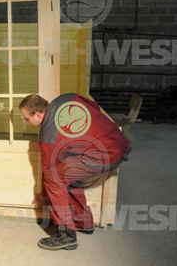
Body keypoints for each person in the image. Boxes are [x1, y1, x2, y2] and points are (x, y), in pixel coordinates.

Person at [19, 93, 130, 250]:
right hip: (117, 141)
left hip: (106, 153)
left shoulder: (48, 133)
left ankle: (66, 234)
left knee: (54, 177)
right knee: (66, 175)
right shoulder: (66, 98)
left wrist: (43, 195)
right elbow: (95, 107)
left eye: (26, 118)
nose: (25, 121)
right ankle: (83, 222)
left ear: (37, 114)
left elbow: (48, 170)